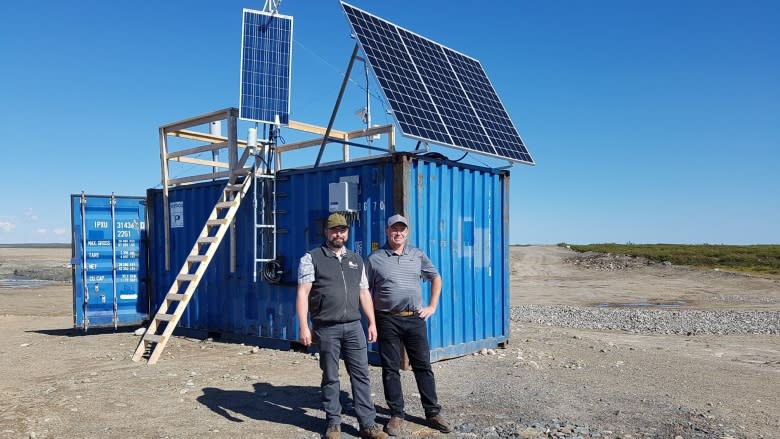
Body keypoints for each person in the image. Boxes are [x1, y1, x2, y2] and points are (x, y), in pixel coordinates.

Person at [296, 213, 388, 439]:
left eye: (343, 230)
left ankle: (368, 424)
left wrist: (372, 323)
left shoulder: (356, 259)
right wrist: (303, 326)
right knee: (330, 376)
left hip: (354, 326)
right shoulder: (312, 257)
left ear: (347, 232)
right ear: (326, 232)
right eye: (334, 230)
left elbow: (364, 293)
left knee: (362, 375)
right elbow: (302, 293)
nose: (339, 234)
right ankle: (333, 423)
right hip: (327, 328)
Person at [366, 214, 452, 436]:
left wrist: (432, 306)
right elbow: (364, 290)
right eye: (394, 229)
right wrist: (371, 321)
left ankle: (432, 413)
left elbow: (436, 277)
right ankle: (396, 414)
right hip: (387, 318)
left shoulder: (417, 255)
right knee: (390, 368)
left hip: (415, 318)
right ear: (387, 231)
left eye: (402, 229)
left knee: (423, 365)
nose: (398, 233)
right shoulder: (375, 258)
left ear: (407, 232)